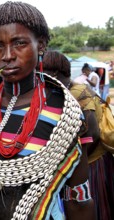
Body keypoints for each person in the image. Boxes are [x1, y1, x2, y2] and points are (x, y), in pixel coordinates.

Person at [0, 2, 94, 220]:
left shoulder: (65, 112)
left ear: (41, 45)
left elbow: (78, 199)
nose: (7, 55)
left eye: (19, 43)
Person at [41, 50, 114, 220]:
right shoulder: (65, 91)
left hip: (93, 164)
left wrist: (75, 164)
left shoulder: (77, 93)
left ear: (54, 73)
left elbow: (93, 134)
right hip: (83, 164)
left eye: (42, 72)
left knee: (95, 210)